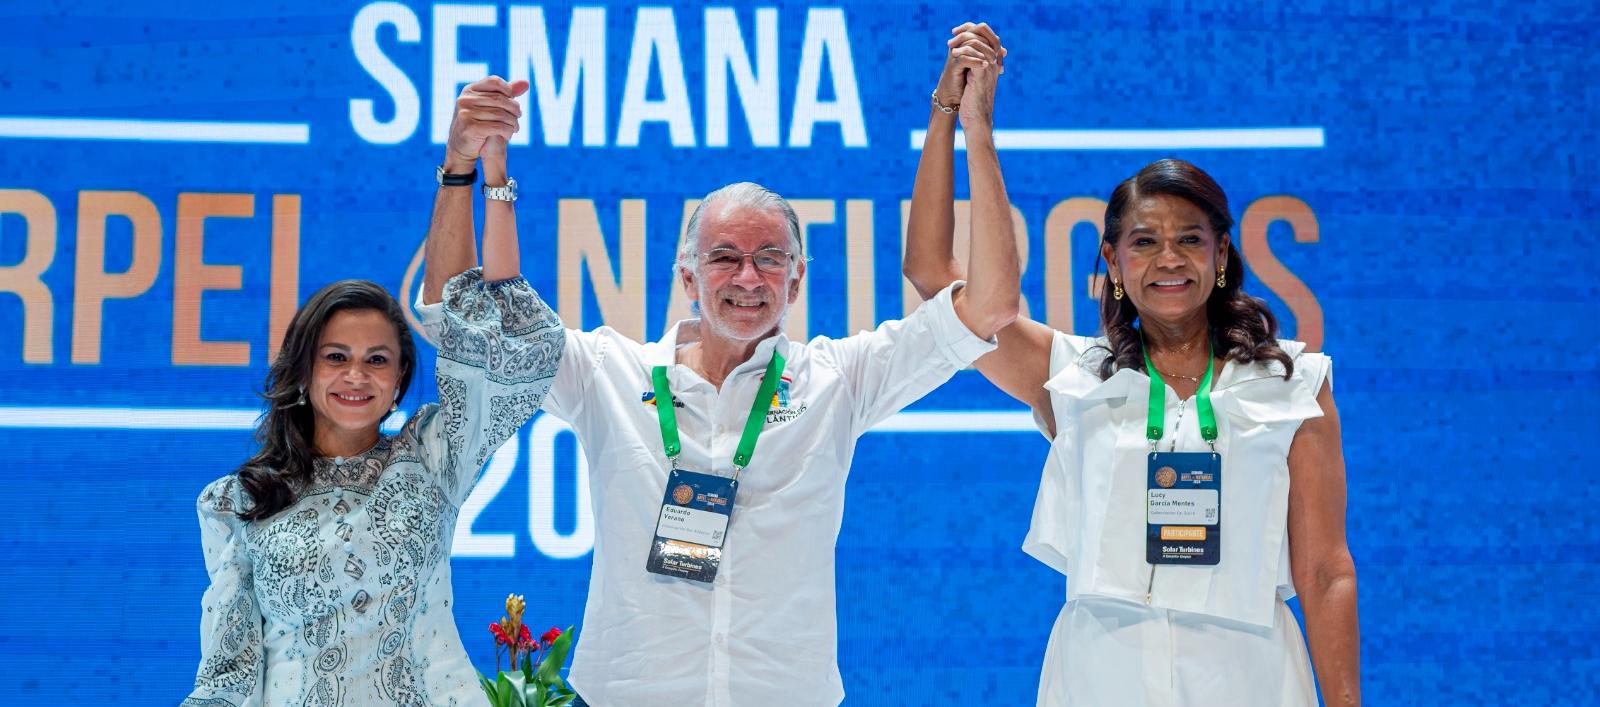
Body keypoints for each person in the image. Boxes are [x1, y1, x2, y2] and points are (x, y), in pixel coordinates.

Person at [421, 62, 1018, 706]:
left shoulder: (839, 379)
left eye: (770, 260)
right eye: (725, 257)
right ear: (688, 277)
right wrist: (462, 168)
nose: (749, 279)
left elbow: (988, 307)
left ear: (795, 281)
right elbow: (461, 324)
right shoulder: (606, 373)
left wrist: (974, 128)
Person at [902, 23, 1360, 707]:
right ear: (1113, 263)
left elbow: (1325, 570)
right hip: (1098, 679)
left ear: (1222, 255)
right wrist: (964, 122)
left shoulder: (1297, 382)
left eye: (1190, 240)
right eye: (1144, 242)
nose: (1169, 259)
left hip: (1251, 681)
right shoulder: (1071, 374)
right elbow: (935, 273)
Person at [183, 77, 566, 705]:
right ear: (302, 373)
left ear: (397, 385)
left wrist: (473, 170)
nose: (356, 374)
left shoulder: (429, 461)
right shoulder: (237, 503)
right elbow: (227, 676)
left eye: (377, 360)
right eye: (335, 357)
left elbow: (465, 319)